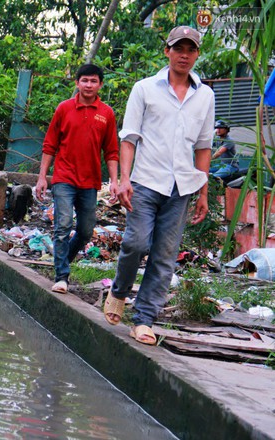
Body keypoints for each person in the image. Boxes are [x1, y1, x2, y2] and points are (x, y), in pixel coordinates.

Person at [103, 26, 215, 345]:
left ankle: (143, 319)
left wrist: (203, 191)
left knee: (165, 256)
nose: (184, 54)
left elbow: (204, 147)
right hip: (144, 182)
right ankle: (120, 291)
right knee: (136, 244)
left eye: (190, 49)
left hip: (181, 188)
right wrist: (124, 180)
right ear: (167, 51)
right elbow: (129, 138)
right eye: (178, 48)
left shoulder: (205, 96)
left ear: (196, 54)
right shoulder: (144, 89)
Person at [35, 64, 119, 294]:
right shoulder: (64, 109)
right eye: (84, 81)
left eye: (93, 81)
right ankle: (62, 276)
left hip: (90, 182)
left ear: (100, 84)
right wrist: (43, 177)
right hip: (63, 178)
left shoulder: (106, 113)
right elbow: (50, 145)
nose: (88, 85)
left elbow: (111, 151)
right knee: (62, 226)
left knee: (85, 230)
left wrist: (114, 181)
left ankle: (63, 261)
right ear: (77, 83)